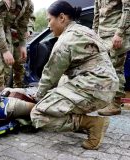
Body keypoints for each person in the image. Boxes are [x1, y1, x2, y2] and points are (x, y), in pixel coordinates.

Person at [30, 1, 119, 150]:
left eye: (49, 20)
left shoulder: (65, 41)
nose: (48, 25)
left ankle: (92, 124)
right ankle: (82, 120)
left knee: (38, 115)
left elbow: (50, 76)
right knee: (63, 82)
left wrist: (38, 98)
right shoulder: (84, 30)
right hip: (107, 87)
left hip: (95, 88)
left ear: (62, 17)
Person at [0, 0, 34, 92]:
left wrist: (22, 44)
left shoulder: (28, 4)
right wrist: (4, 50)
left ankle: (9, 93)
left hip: (5, 27)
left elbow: (22, 24)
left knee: (8, 64)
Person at [93, 0, 130, 116]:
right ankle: (106, 101)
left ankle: (115, 103)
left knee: (116, 68)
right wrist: (93, 34)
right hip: (102, 35)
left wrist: (119, 33)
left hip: (115, 35)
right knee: (104, 69)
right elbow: (97, 14)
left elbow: (127, 9)